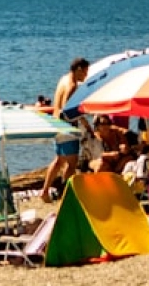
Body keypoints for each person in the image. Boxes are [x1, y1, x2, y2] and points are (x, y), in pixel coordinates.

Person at [41, 57, 89, 203]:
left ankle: (45, 192)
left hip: (56, 125)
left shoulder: (63, 79)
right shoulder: (72, 85)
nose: (86, 76)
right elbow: (67, 109)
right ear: (79, 69)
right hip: (66, 127)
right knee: (72, 163)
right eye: (85, 72)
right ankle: (66, 195)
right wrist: (85, 124)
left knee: (59, 161)